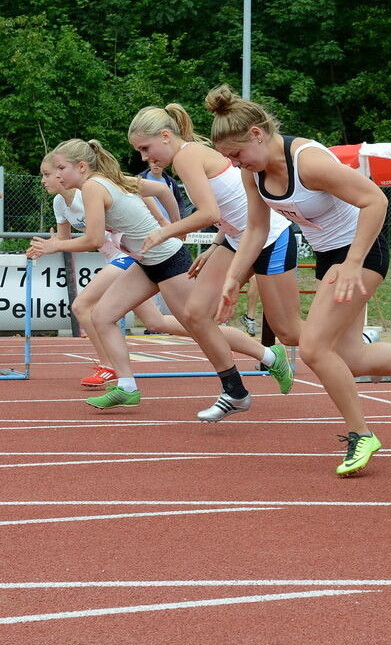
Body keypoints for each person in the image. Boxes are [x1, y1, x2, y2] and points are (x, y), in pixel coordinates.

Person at [205, 84, 391, 476]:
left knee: (315, 349)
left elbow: (376, 201)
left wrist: (353, 264)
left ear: (257, 134)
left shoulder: (310, 162)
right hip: (332, 254)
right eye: (227, 158)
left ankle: (361, 434)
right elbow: (255, 227)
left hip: (362, 249)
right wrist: (234, 277)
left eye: (236, 154)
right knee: (350, 359)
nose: (234, 164)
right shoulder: (255, 173)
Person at [28, 138, 290, 420]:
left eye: (59, 169)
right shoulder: (97, 184)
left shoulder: (93, 186)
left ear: (81, 166)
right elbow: (157, 194)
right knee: (103, 316)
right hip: (145, 261)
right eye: (52, 171)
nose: (54, 176)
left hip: (168, 260)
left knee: (198, 325)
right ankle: (127, 387)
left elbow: (93, 238)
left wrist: (173, 228)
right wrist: (173, 227)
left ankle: (270, 357)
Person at [128, 103, 300, 420]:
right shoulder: (187, 157)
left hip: (271, 237)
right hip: (237, 239)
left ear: (165, 136)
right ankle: (235, 391)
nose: (144, 158)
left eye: (145, 148)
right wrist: (214, 246)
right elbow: (229, 209)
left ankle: (353, 343)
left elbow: (209, 213)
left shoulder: (186, 156)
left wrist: (164, 232)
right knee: (195, 314)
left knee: (289, 333)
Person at [39, 152, 194, 386]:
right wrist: (48, 246)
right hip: (127, 257)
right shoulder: (59, 202)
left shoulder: (94, 187)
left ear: (78, 167)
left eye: (49, 173)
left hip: (127, 256)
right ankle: (215, 338)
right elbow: (66, 241)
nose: (46, 179)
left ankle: (109, 367)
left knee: (83, 306)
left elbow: (137, 197)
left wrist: (168, 226)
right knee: (156, 323)